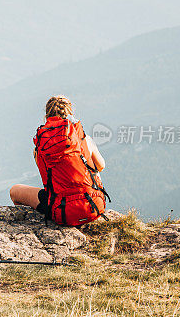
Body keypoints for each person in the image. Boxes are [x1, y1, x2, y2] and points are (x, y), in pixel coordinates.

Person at [10, 95, 108, 226]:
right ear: (70, 113)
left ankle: (28, 224)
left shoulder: (41, 147)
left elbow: (47, 179)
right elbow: (101, 166)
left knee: (14, 191)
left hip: (62, 212)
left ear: (47, 116)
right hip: (93, 206)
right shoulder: (84, 139)